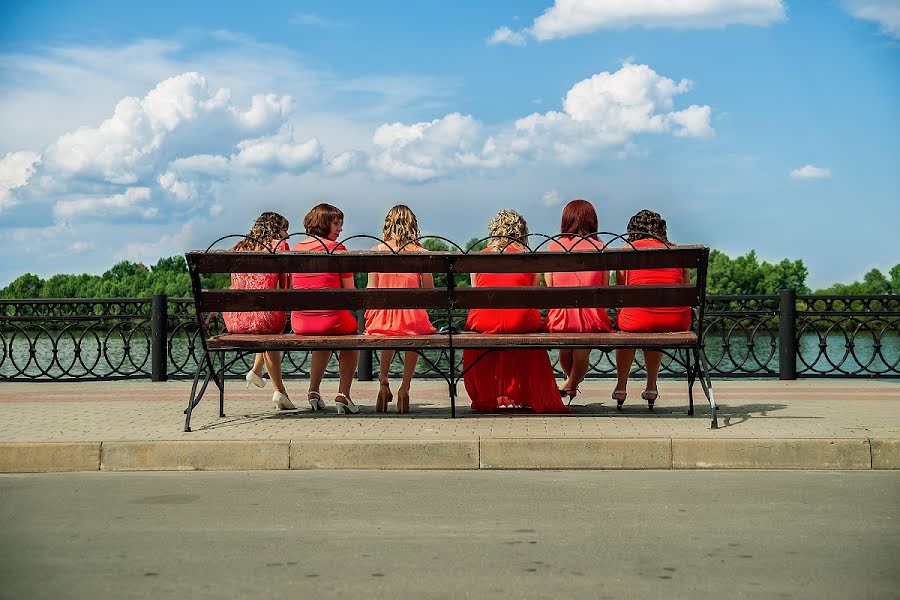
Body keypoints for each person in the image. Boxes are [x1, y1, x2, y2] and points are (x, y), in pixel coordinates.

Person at [462, 210, 569, 413]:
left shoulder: (477, 258)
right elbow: (533, 296)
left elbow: (476, 293)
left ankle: (487, 395)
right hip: (519, 321)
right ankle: (528, 393)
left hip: (485, 322)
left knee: (484, 322)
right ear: (521, 233)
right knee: (524, 321)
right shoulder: (529, 259)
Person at [613, 209, 692, 410]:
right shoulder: (677, 252)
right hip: (676, 321)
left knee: (631, 323)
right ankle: (651, 387)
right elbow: (685, 290)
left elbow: (621, 293)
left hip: (637, 321)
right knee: (652, 319)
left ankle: (621, 387)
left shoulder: (626, 251)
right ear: (661, 230)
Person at [364, 205, 436, 414]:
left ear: (388, 224)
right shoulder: (422, 253)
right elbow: (429, 290)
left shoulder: (376, 251)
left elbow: (371, 290)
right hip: (412, 318)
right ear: (413, 226)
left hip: (383, 320)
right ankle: (404, 388)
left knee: (390, 332)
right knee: (411, 332)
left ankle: (383, 383)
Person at [291, 203, 360, 414]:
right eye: (336, 223)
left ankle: (313, 391)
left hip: (300, 323)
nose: (340, 229)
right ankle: (343, 394)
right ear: (323, 224)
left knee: (324, 335)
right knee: (351, 335)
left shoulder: (295, 250)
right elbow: (350, 293)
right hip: (331, 320)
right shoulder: (338, 251)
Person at [222, 212, 295, 411]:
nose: (286, 235)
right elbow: (286, 289)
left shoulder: (238, 247)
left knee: (265, 321)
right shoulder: (279, 246)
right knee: (270, 322)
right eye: (284, 229)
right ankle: (279, 390)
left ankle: (256, 370)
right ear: (274, 229)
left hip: (235, 319)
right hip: (266, 319)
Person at [544, 199, 613, 404]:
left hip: (560, 319)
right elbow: (605, 287)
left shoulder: (553, 247)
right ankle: (571, 384)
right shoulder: (600, 247)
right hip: (591, 319)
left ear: (565, 220)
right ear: (592, 221)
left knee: (565, 349)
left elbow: (549, 285)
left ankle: (569, 384)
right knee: (581, 351)